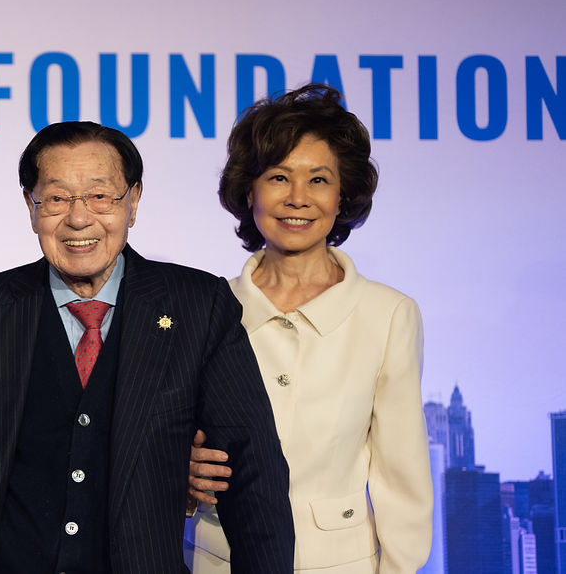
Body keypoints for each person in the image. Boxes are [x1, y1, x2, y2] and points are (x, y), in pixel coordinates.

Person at [0, 121, 293, 573]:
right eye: (57, 198)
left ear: (133, 201)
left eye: (101, 196)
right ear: (31, 206)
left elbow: (253, 474)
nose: (79, 218)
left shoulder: (198, 306)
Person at [185, 85, 433, 573]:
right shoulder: (204, 308)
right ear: (250, 191)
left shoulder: (388, 314)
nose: (298, 198)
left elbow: (401, 479)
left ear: (342, 196)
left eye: (319, 179)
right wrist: (184, 475)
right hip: (220, 560)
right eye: (278, 177)